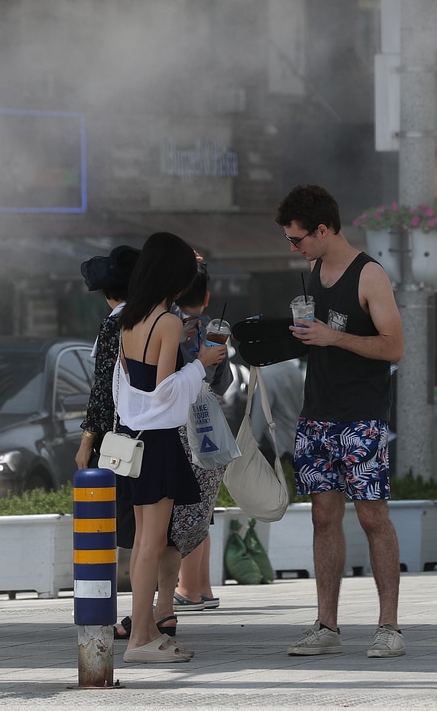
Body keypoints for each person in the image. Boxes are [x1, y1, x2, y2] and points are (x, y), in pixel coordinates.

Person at [276, 184, 407, 659]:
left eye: (297, 240)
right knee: (323, 516)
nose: (294, 248)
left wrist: (336, 337)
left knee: (373, 515)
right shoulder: (311, 271)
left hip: (362, 415)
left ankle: (389, 626)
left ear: (323, 229)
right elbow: (317, 339)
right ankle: (326, 625)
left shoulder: (370, 275)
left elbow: (394, 347)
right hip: (317, 413)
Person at [114, 232, 226, 663]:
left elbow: (131, 385)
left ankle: (142, 631)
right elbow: (164, 390)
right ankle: (141, 639)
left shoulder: (127, 319)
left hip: (135, 440)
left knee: (144, 541)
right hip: (159, 441)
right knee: (152, 543)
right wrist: (201, 364)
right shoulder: (168, 322)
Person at [173, 262, 233, 615]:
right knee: (203, 507)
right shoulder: (217, 329)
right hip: (211, 421)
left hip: (182, 422)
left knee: (186, 506)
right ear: (207, 296)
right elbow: (224, 383)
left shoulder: (174, 328)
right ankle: (203, 587)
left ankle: (188, 589)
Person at [76, 244, 141, 470]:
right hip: (154, 430)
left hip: (119, 438)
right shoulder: (158, 319)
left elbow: (105, 386)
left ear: (107, 293)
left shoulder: (115, 324)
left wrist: (86, 440)